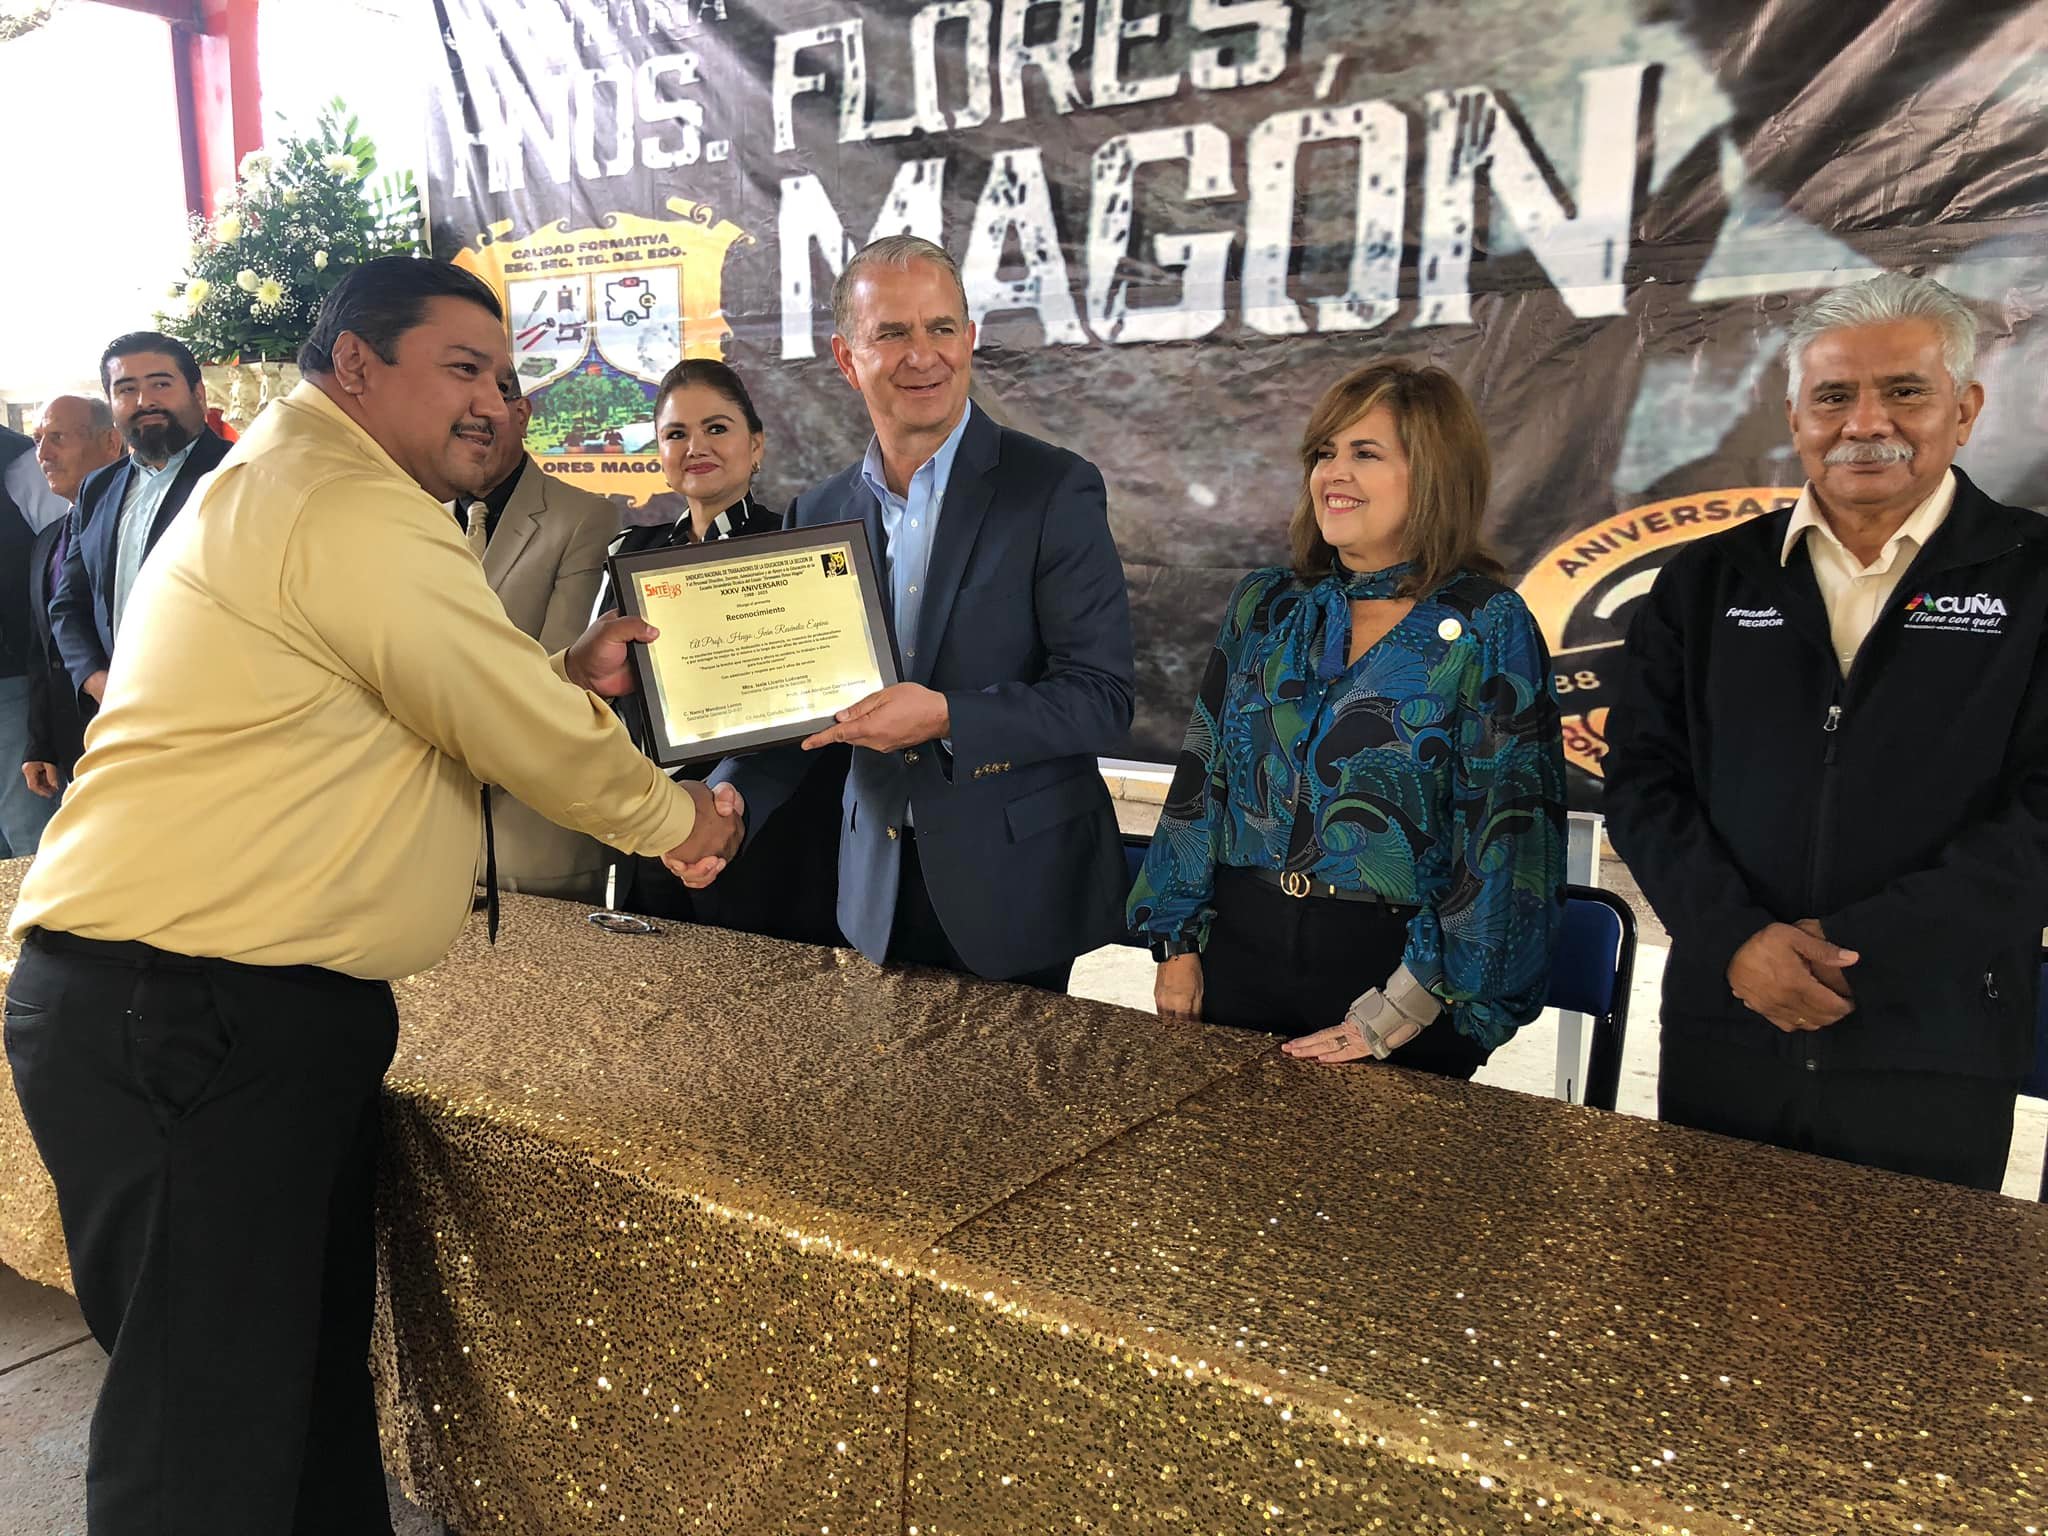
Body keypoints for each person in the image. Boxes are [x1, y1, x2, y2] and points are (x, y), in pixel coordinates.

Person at [2, 257, 741, 1535]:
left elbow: (419, 686)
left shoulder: (312, 484)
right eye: (461, 368)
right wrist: (682, 822)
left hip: (234, 1011)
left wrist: (563, 675)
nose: (492, 401)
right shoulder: (339, 498)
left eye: (504, 377)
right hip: (189, 1011)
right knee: (203, 1437)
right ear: (354, 363)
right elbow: (501, 719)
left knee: (291, 1394)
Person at [1605, 272, 2045, 1192]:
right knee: (1702, 1271)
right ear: (1795, 416)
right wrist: (1736, 939)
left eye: (1905, 392)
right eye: (1834, 396)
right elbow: (1644, 781)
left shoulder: (2036, 579)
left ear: (1965, 410)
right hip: (1729, 1024)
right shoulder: (1708, 580)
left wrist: (1863, 955)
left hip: (1936, 1043)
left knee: (1908, 1283)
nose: (1865, 422)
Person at [694, 235, 1134, 989]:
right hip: (872, 889)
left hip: (1015, 890)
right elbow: (798, 705)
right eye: (892, 332)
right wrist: (730, 797)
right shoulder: (818, 511)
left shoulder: (1052, 489)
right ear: (846, 358)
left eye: (940, 328)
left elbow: (1101, 700)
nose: (921, 355)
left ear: (970, 339)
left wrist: (946, 717)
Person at [1128, 360, 1566, 1075]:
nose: (1333, 473)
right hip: (1239, 956)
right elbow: (1202, 780)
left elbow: (1505, 836)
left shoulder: (1486, 623)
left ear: (1433, 473)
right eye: (1324, 453)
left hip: (1399, 976)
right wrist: (1175, 945)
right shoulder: (1265, 605)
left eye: (1365, 453)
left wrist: (1407, 1006)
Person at [598, 359, 848, 945]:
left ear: (756, 444)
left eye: (717, 428)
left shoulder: (795, 547)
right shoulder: (629, 553)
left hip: (768, 834)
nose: (696, 447)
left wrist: (726, 811)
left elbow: (817, 695)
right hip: (650, 828)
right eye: (676, 434)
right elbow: (597, 697)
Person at [457, 371, 622, 900]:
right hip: (420, 832)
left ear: (522, 412)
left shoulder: (585, 517)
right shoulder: (410, 519)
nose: (474, 414)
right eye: (459, 396)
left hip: (531, 835)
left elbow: (562, 682)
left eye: (495, 395)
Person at [50, 332, 233, 710]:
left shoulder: (241, 472)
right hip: (121, 709)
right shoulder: (97, 489)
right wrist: (95, 679)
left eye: (160, 384)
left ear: (198, 394)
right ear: (111, 403)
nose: (144, 401)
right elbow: (69, 603)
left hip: (220, 706)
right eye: (126, 389)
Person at [23, 396, 123, 813]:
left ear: (111, 443)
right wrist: (40, 744)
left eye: (59, 438)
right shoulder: (46, 541)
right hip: (74, 753)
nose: (43, 454)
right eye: (38, 440)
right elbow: (42, 653)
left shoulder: (134, 529)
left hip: (130, 732)